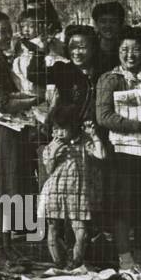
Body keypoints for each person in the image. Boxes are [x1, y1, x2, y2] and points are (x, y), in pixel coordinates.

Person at [0, 11, 42, 270]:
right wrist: (34, 100)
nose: (8, 36)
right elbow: (1, 103)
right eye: (2, 31)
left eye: (9, 30)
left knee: (6, 191)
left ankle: (4, 248)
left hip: (12, 132)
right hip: (2, 132)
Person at [95, 28, 141, 271]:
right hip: (120, 153)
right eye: (124, 50)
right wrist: (138, 125)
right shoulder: (110, 79)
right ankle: (125, 258)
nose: (130, 55)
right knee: (123, 206)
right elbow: (103, 116)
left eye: (135, 50)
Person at [37, 104, 106, 269]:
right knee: (52, 228)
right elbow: (48, 170)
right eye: (55, 129)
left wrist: (94, 136)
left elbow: (101, 155)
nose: (59, 133)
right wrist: (53, 154)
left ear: (73, 127)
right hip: (55, 192)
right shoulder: (51, 147)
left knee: (80, 229)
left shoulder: (83, 143)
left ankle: (76, 262)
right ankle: (58, 262)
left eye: (63, 129)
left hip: (77, 193)